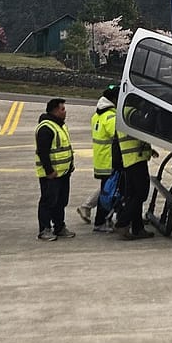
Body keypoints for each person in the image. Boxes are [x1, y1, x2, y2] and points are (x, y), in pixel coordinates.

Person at [76, 84, 119, 232]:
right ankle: (101, 221)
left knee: (106, 190)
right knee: (108, 193)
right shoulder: (111, 117)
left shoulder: (97, 115)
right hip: (110, 161)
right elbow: (119, 135)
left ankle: (88, 208)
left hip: (101, 160)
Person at [35, 97, 76, 241]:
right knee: (48, 201)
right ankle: (44, 229)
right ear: (55, 110)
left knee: (61, 202)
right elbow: (43, 152)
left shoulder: (60, 125)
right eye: (62, 109)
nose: (65, 112)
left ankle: (59, 226)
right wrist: (49, 171)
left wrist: (70, 166)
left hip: (63, 173)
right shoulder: (46, 128)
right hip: (51, 174)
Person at [113, 108, 155, 242]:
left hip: (131, 159)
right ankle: (123, 223)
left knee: (134, 195)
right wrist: (153, 111)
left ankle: (138, 228)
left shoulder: (122, 111)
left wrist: (149, 149)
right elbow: (146, 125)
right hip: (135, 159)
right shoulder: (130, 112)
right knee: (140, 194)